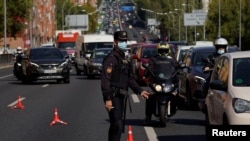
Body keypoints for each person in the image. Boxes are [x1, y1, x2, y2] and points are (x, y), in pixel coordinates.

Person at [101, 31, 150, 141]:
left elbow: (129, 79)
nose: (123, 43)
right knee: (117, 124)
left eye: (125, 41)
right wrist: (107, 99)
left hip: (121, 95)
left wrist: (140, 90)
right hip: (113, 96)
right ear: (115, 42)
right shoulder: (111, 59)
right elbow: (105, 80)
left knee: (117, 124)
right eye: (121, 41)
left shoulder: (124, 59)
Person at [143, 41, 178, 125]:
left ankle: (174, 107)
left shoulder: (172, 59)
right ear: (158, 50)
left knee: (176, 93)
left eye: (165, 50)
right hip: (156, 82)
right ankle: (148, 116)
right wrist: (147, 73)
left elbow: (177, 67)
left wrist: (179, 70)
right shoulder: (153, 59)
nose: (163, 52)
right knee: (150, 97)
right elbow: (149, 68)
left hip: (168, 81)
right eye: (161, 50)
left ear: (168, 50)